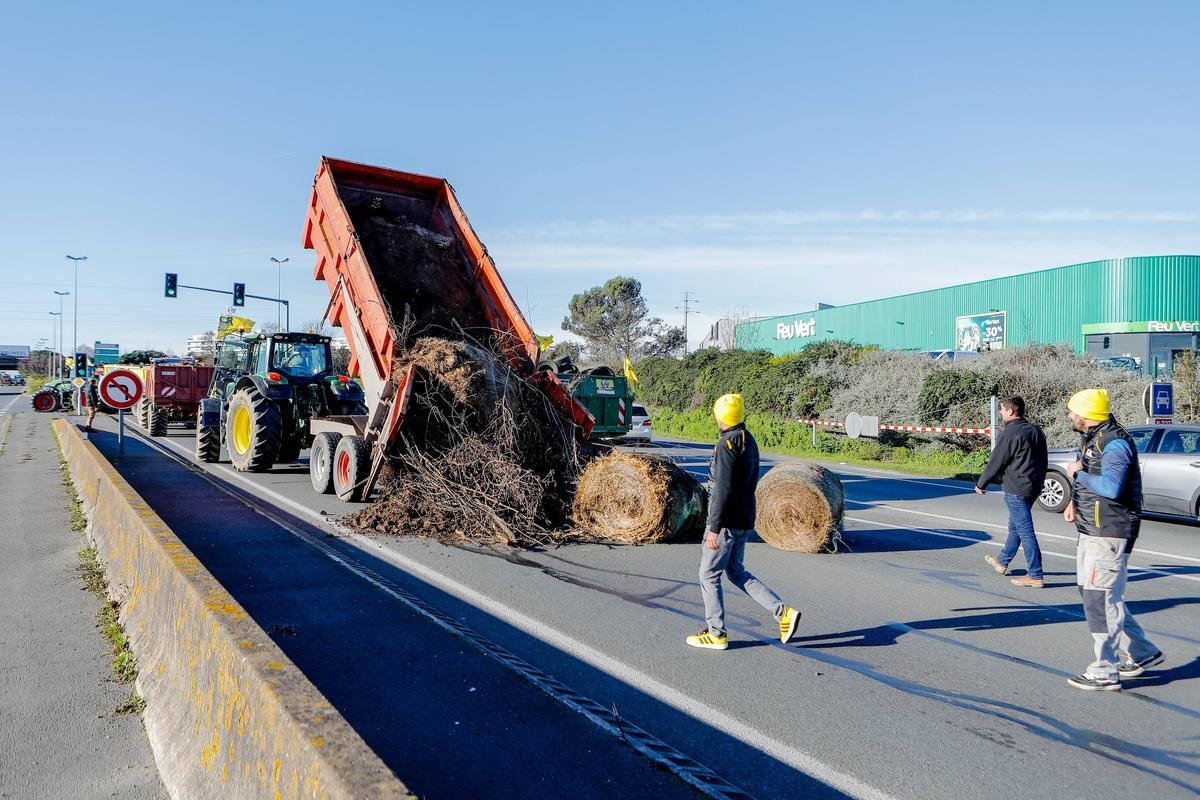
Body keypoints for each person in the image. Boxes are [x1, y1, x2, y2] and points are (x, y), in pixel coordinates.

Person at [1063, 388, 1162, 691]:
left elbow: (1110, 487)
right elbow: (1091, 476)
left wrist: (1077, 475)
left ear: (1087, 415)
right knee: (1097, 594)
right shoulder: (1093, 436)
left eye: (1073, 411)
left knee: (1101, 599)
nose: (1069, 416)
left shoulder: (1114, 443)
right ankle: (1143, 652)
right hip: (1092, 528)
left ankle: (1105, 671)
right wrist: (1073, 503)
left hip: (1109, 532)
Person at [687, 393, 801, 651]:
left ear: (720, 417)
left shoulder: (726, 444)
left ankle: (716, 633)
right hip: (744, 516)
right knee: (736, 571)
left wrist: (714, 528)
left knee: (708, 574)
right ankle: (782, 612)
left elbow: (722, 490)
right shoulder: (748, 440)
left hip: (726, 520)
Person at [975, 396, 1048, 587]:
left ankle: (1035, 574)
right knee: (1015, 525)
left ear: (1011, 411)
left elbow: (997, 460)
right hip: (1034, 486)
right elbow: (1043, 459)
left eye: (1002, 409)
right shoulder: (1035, 430)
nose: (1000, 412)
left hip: (1016, 488)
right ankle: (1002, 561)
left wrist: (982, 483)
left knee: (1025, 530)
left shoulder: (1009, 433)